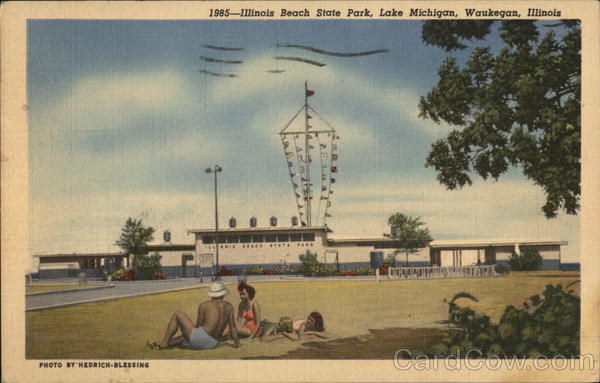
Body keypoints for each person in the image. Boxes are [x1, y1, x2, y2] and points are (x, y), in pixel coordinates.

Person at [148, 281, 240, 350]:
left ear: (212, 294)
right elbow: (233, 327)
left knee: (178, 314)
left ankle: (164, 343)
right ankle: (163, 343)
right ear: (223, 294)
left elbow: (198, 325)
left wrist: (186, 330)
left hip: (200, 340)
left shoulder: (204, 305)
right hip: (213, 343)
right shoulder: (229, 306)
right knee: (185, 337)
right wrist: (237, 344)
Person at [256, 312, 329, 342]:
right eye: (309, 318)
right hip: (286, 325)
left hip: (286, 326)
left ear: (316, 324)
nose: (308, 321)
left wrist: (313, 332)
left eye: (311, 320)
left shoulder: (316, 328)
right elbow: (300, 337)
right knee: (271, 327)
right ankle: (264, 324)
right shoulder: (304, 323)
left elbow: (327, 335)